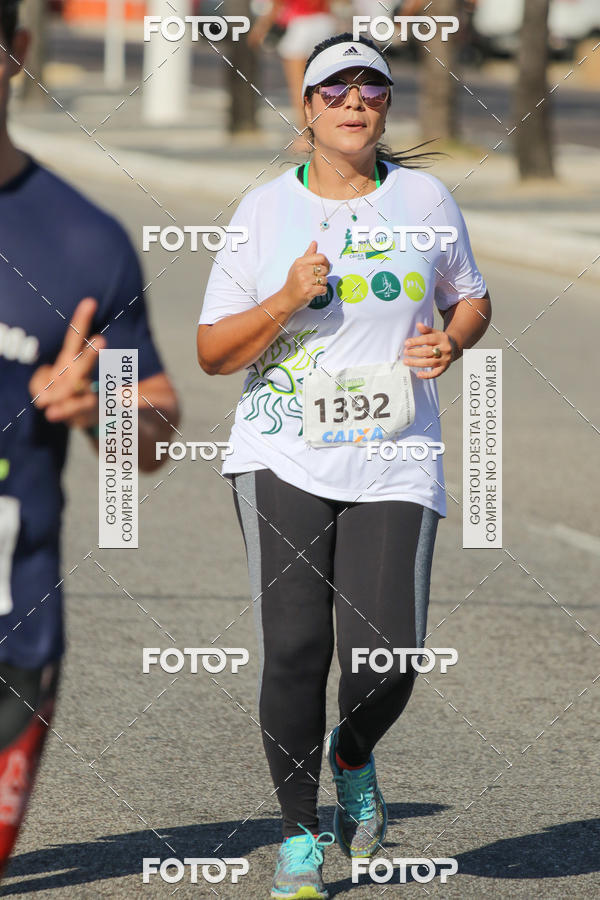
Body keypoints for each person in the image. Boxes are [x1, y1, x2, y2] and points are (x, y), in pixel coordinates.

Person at [197, 32, 491, 900]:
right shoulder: (264, 211)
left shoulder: (427, 198)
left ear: (387, 104)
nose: (354, 102)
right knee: (295, 649)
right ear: (308, 106)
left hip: (396, 454)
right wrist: (287, 298)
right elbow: (214, 352)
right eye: (335, 89)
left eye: (372, 88)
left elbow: (471, 297)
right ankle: (299, 839)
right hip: (282, 450)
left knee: (389, 658)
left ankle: (352, 753)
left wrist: (451, 340)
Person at [0, 2, 179, 878]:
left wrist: (100, 408)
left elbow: (153, 435)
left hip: (13, 629)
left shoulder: (86, 244)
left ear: (16, 53)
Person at [248, 0, 337, 146]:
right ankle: (327, 133)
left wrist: (260, 29)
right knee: (324, 83)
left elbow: (277, 5)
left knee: (298, 85)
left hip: (298, 24)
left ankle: (307, 135)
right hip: (324, 23)